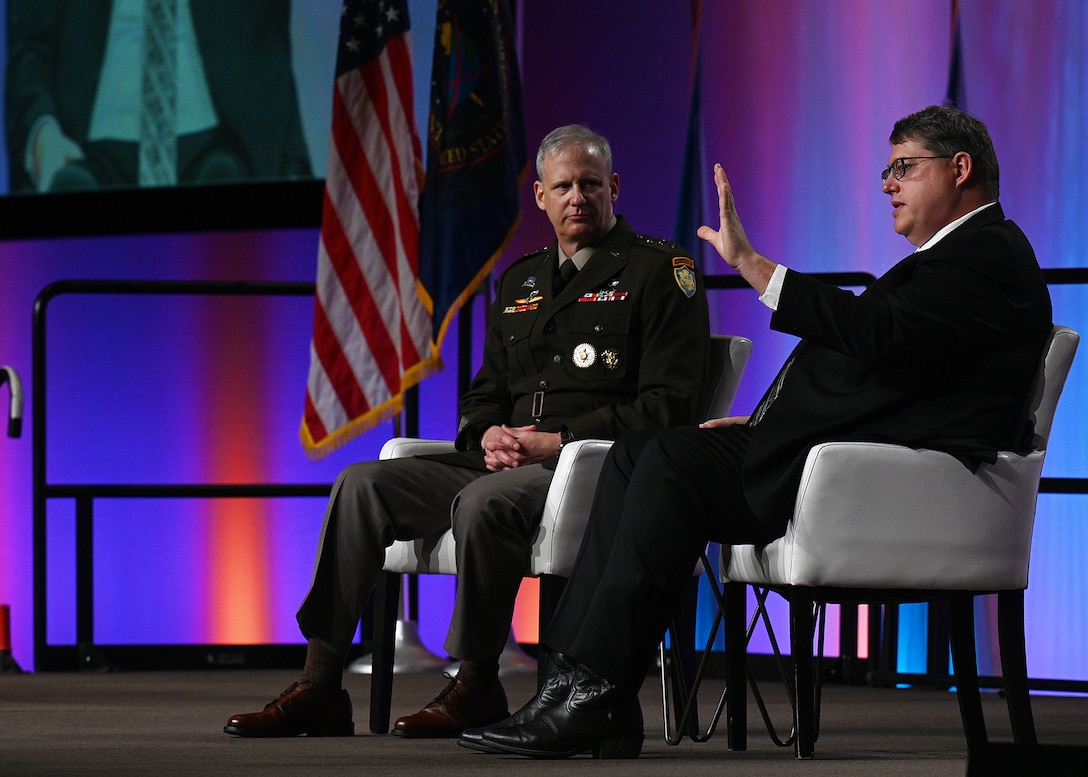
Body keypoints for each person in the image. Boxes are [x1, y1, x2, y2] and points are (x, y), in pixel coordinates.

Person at [460, 105, 1054, 759]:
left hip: (879, 484)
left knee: (670, 462)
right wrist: (766, 418)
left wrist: (755, 266)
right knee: (633, 454)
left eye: (904, 167)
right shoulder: (958, 260)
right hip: (839, 455)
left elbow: (876, 339)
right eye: (889, 170)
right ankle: (576, 685)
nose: (888, 183)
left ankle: (591, 691)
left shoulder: (986, 254)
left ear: (960, 168)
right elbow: (900, 374)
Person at [223, 124, 711, 738]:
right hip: (508, 460)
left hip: (590, 467)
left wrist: (552, 441)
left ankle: (477, 683)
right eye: (563, 186)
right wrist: (485, 434)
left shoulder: (660, 272)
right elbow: (484, 392)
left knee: (484, 503)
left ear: (614, 187)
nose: (577, 198)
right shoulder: (520, 281)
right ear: (540, 196)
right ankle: (320, 684)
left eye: (590, 184)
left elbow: (670, 408)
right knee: (359, 485)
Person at [5, 0, 312, 192]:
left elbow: (272, 40)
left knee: (228, 186)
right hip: (85, 148)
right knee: (71, 193)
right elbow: (31, 47)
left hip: (220, 139)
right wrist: (42, 134)